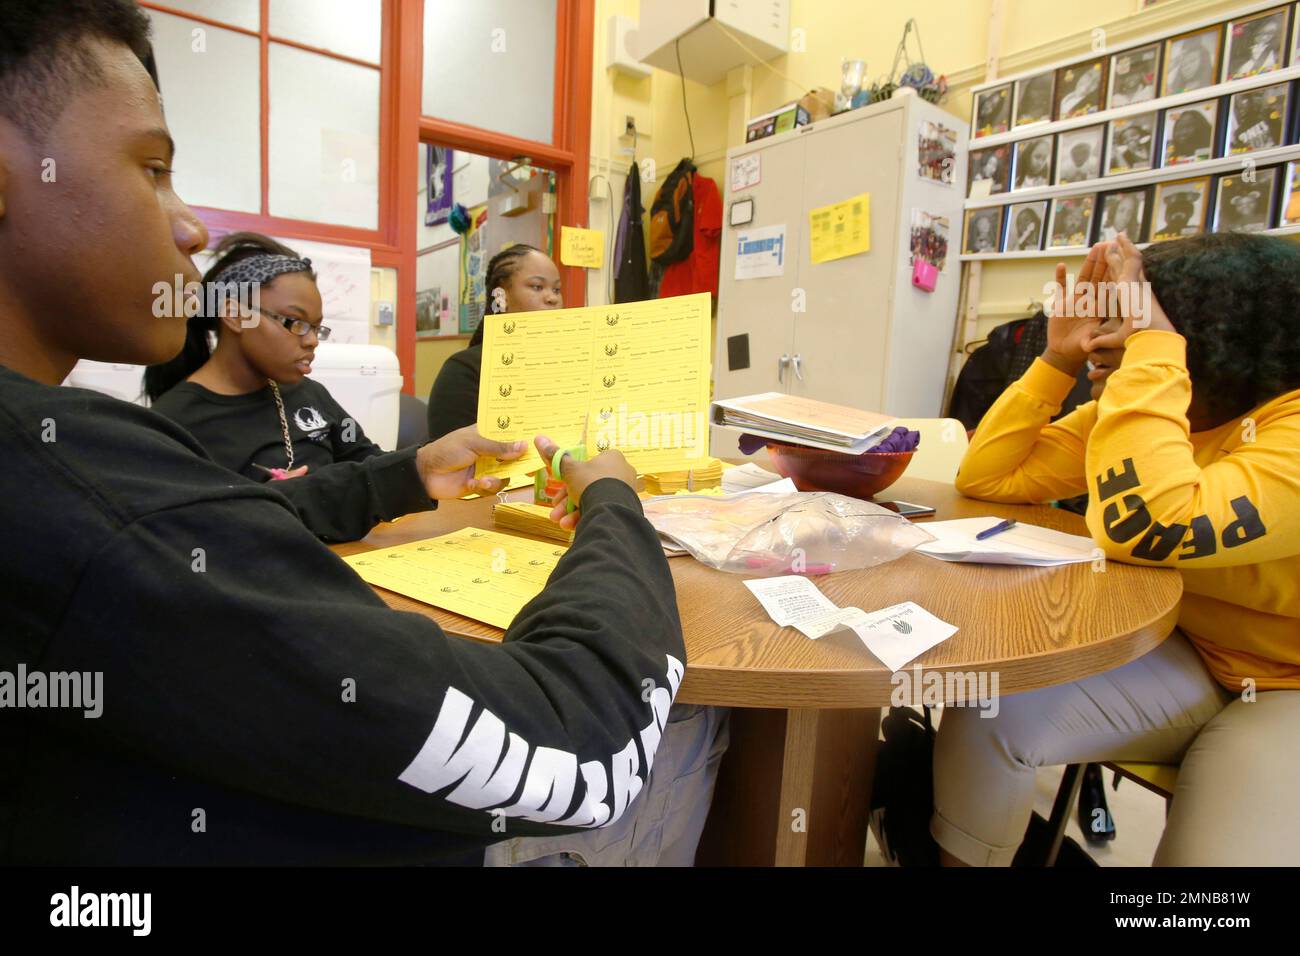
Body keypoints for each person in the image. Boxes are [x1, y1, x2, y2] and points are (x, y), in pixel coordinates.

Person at [0, 0, 701, 865]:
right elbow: (583, 739)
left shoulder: (107, 476)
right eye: (151, 168)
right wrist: (614, 499)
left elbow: (267, 511)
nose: (187, 225)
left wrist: (409, 473)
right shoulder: (101, 492)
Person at [934, 233, 1300, 865]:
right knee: (990, 707)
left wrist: (1150, 359)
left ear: (1213, 336)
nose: (1101, 339)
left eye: (1129, 320)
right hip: (1183, 649)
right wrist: (1054, 359)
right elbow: (988, 476)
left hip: (1285, 688)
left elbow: (1152, 525)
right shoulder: (1158, 405)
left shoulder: (1269, 424)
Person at [144, 232, 428, 542]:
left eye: (317, 327)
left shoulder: (310, 394)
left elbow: (370, 463)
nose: (311, 340)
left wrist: (427, 464)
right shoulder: (173, 424)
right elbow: (204, 535)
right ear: (235, 315)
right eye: (295, 322)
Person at [426, 244, 561, 441]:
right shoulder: (463, 371)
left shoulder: (564, 366)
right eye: (537, 287)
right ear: (501, 297)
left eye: (557, 289)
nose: (552, 298)